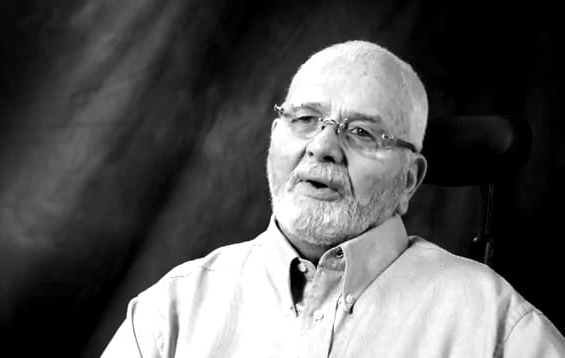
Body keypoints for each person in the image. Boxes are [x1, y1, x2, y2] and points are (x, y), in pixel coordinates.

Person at [102, 40, 565, 357]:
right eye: (305, 118)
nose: (322, 146)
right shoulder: (171, 311)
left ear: (409, 179)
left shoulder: (500, 329)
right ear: (274, 137)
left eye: (362, 132)